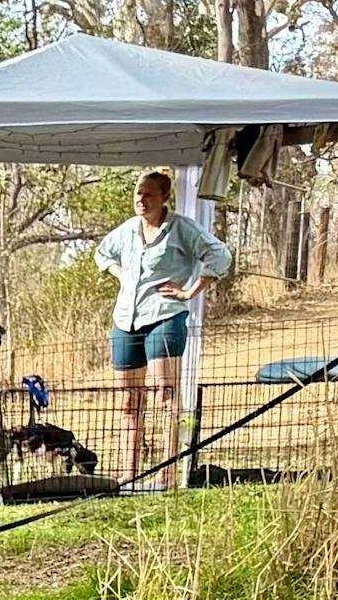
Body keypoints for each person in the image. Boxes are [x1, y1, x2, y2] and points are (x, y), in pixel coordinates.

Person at [93, 170, 233, 483]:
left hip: (165, 316)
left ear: (164, 198)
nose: (141, 200)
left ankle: (167, 472)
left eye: (149, 195)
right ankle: (128, 474)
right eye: (138, 194)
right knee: (129, 399)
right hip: (126, 319)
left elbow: (220, 255)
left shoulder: (181, 228)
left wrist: (190, 291)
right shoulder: (128, 229)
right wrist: (122, 276)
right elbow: (102, 253)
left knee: (164, 394)